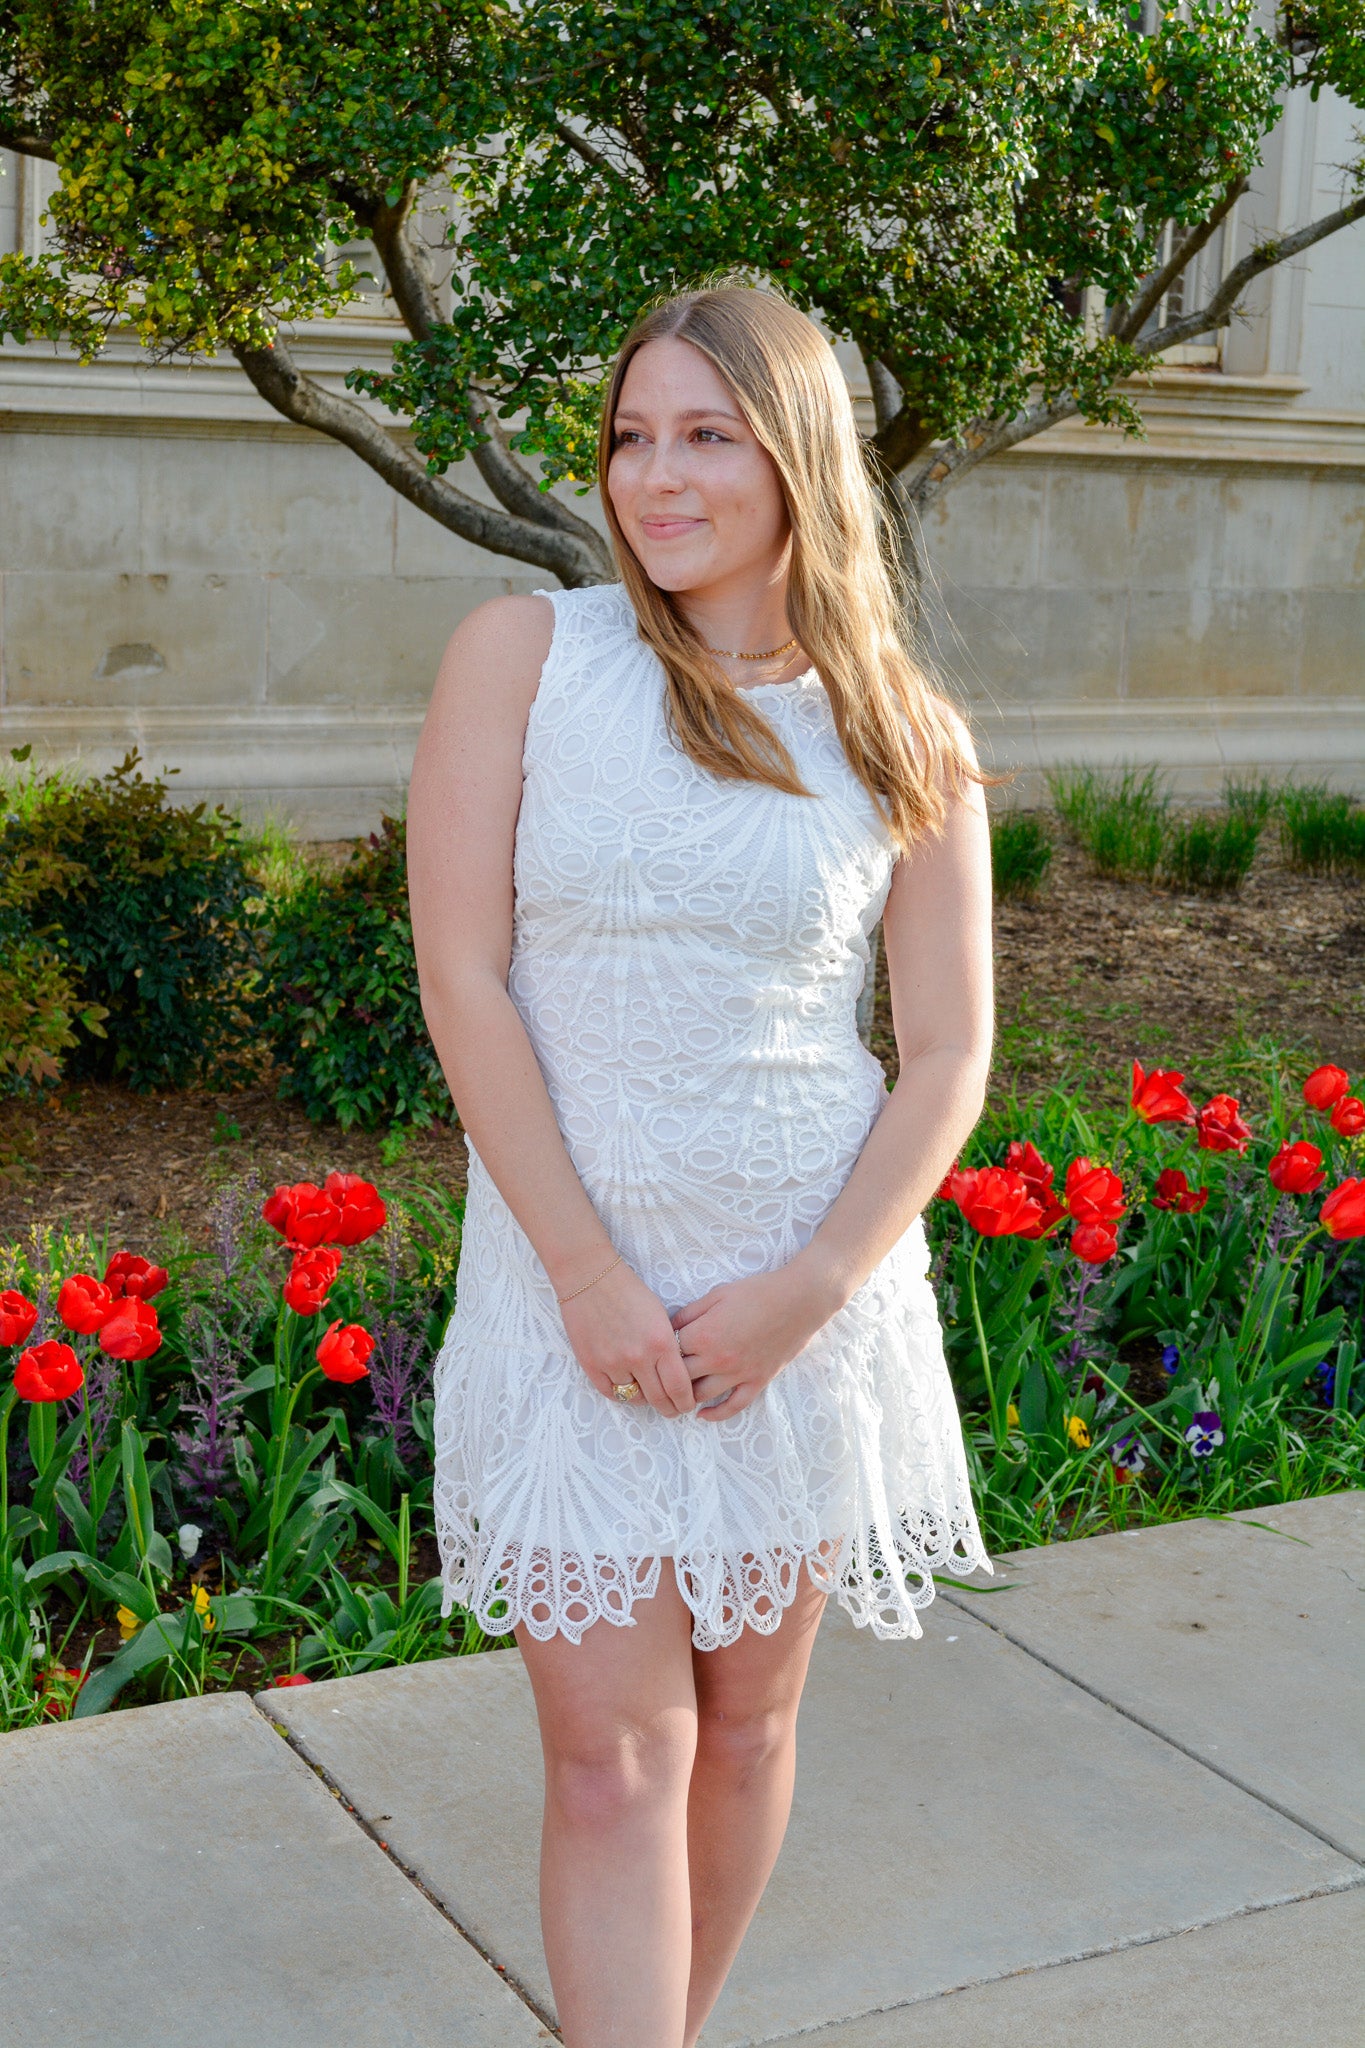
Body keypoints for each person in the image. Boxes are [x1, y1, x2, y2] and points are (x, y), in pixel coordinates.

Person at [406, 282, 994, 2048]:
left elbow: (947, 1053)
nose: (653, 478)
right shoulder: (528, 654)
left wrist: (808, 1295)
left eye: (704, 435)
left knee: (741, 1728)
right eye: (631, 434)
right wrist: (587, 1277)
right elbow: (463, 977)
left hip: (796, 1297)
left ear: (797, 452)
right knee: (613, 1757)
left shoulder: (904, 734)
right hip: (565, 1277)